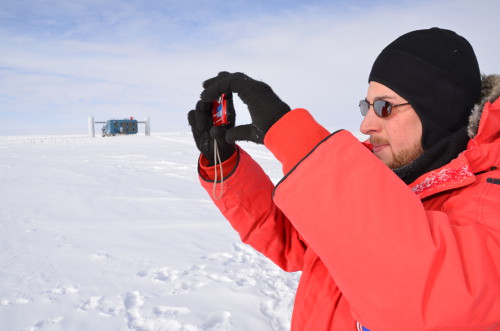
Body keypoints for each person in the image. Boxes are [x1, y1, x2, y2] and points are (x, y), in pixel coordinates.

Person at [188, 27, 500, 330]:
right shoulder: (383, 172)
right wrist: (224, 164)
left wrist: (294, 138)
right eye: (367, 106)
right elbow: (295, 240)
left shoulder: (488, 199)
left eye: (384, 107)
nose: (365, 124)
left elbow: (428, 297)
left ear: (439, 111)